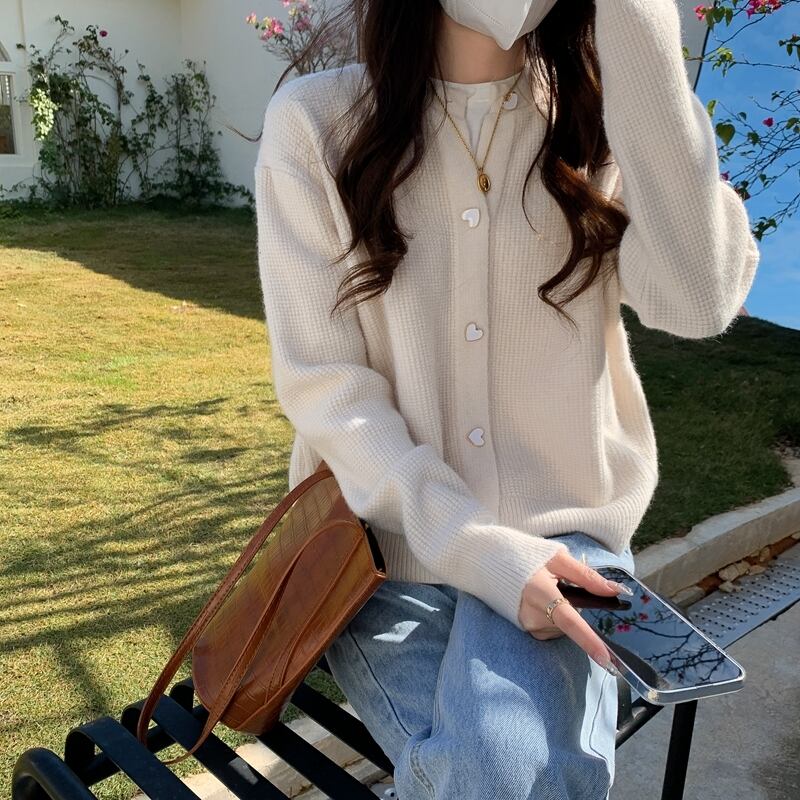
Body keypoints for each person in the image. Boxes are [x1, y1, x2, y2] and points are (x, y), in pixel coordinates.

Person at [253, 1, 760, 797]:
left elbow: (698, 300)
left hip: (568, 546)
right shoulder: (317, 124)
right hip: (381, 554)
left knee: (489, 774)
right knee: (501, 773)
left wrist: (640, 29)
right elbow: (330, 391)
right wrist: (481, 553)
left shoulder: (600, 126)